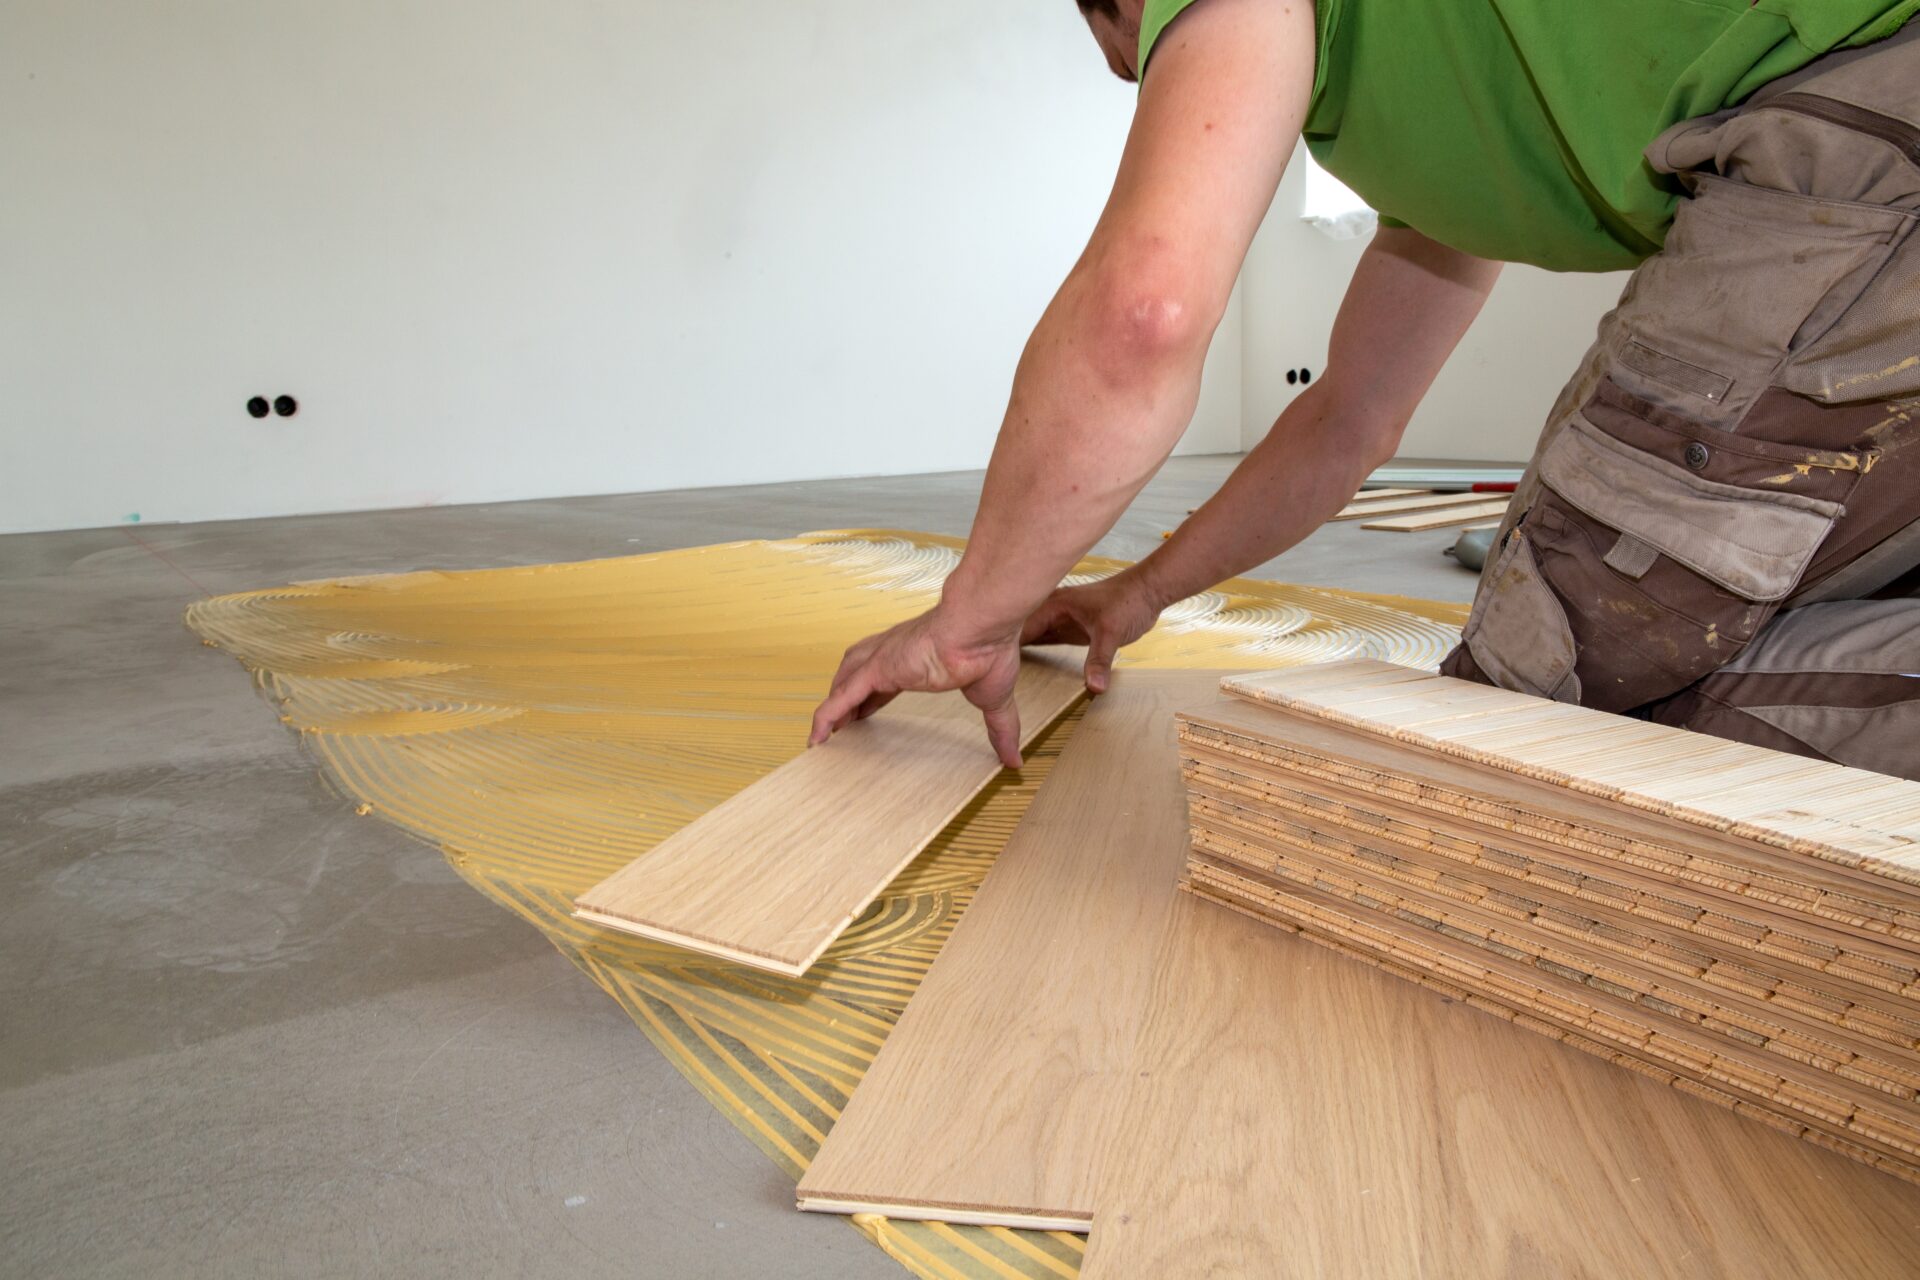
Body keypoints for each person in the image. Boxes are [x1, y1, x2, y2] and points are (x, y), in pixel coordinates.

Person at [810, 0, 1920, 779]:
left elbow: (1143, 315)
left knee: (1556, 716)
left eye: (1145, 57)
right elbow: (1351, 419)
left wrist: (968, 622)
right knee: (1798, 587)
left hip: (1861, 121)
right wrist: (1138, 593)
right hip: (1867, 137)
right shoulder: (1453, 109)